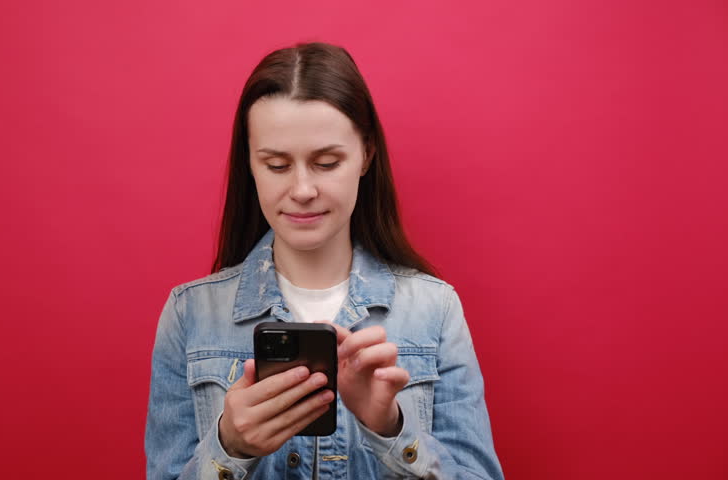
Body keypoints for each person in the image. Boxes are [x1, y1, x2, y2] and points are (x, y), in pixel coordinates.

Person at [145, 41, 504, 480]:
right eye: (277, 165)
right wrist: (229, 448)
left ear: (366, 155)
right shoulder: (190, 315)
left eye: (327, 162)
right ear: (250, 164)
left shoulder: (435, 309)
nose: (302, 190)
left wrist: (392, 429)